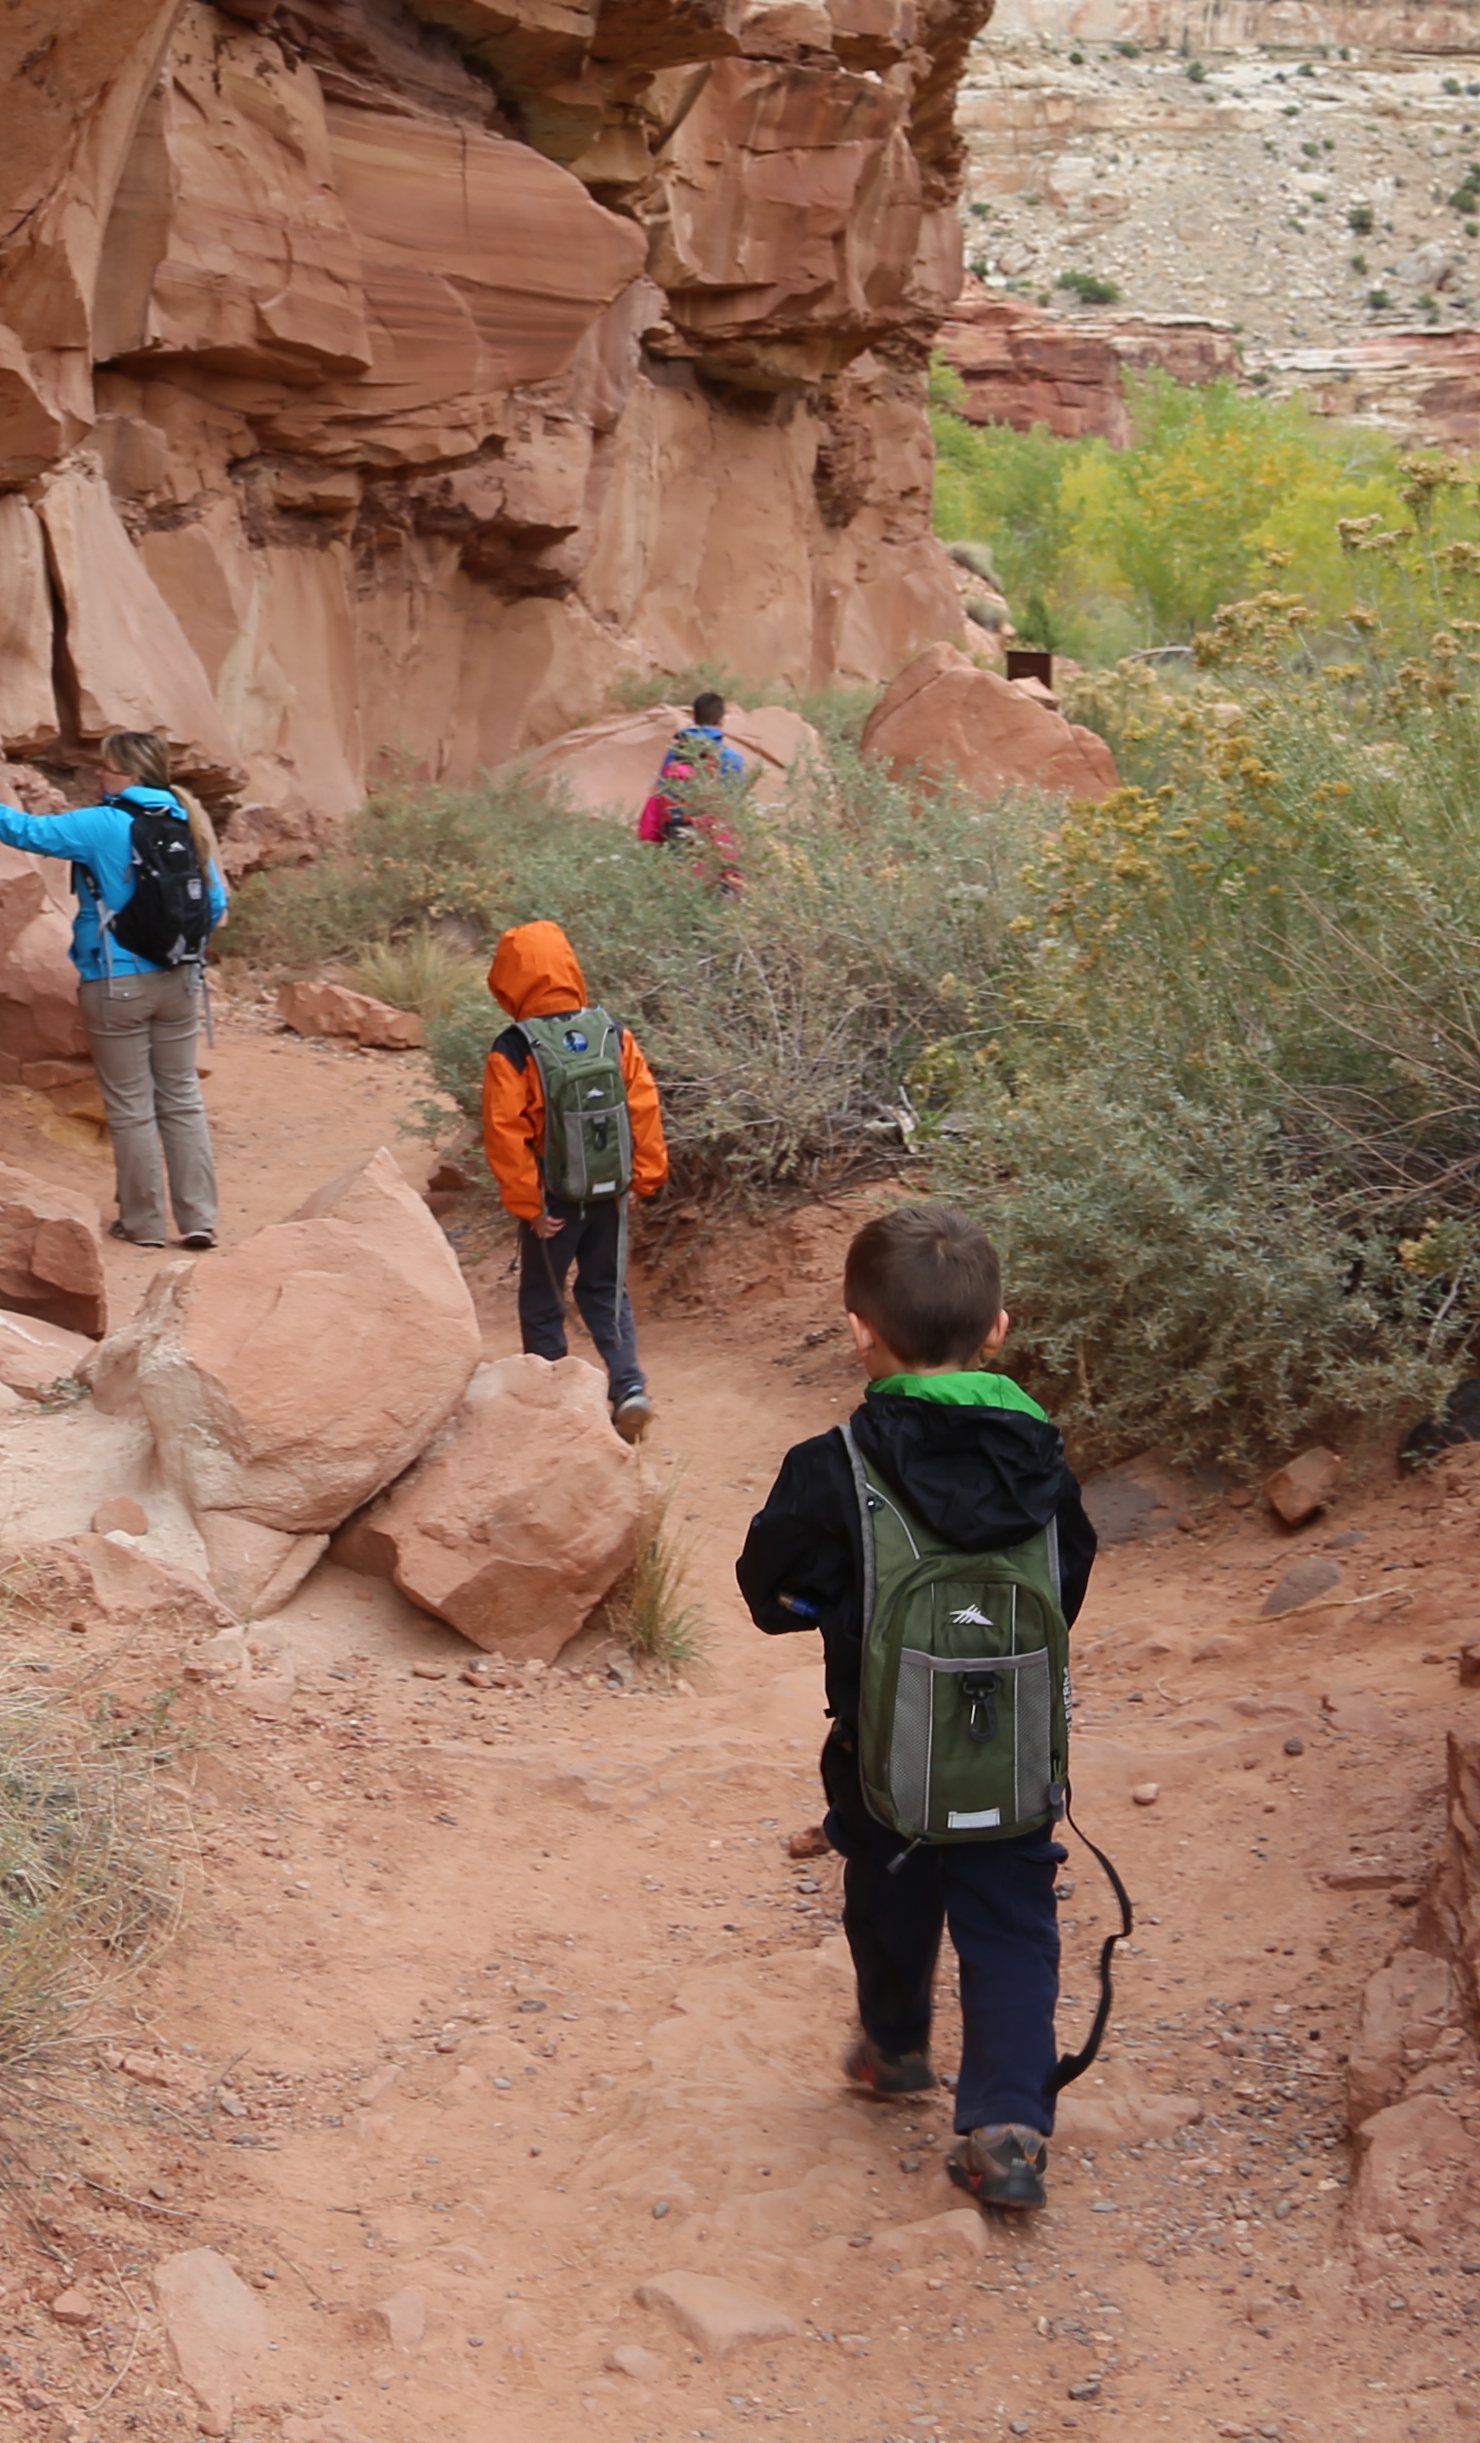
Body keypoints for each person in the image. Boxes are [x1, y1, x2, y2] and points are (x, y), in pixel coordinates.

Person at [732, 1203, 1099, 2215]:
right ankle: (1009, 2124)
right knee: (1014, 1921)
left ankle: (894, 2052)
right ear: (999, 1330)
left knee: (889, 1897)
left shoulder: (831, 1465)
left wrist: (829, 1610)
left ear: (859, 1328)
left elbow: (769, 1595)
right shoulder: (1041, 1456)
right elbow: (1069, 1579)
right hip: (1014, 1755)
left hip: (879, 1756)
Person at [0, 730, 229, 1251]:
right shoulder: (189, 821)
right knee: (182, 1099)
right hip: (181, 983)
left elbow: (18, 829)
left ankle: (142, 1224)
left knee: (131, 1105)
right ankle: (199, 1220)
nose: (99, 775)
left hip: (117, 982)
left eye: (109, 769)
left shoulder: (103, 823)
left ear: (133, 776)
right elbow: (214, 906)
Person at [475, 920, 667, 1441]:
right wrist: (644, 1179)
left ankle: (555, 1409)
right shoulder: (613, 1032)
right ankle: (629, 1387)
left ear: (510, 979)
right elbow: (643, 1107)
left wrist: (528, 1204)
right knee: (606, 1290)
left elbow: (504, 1131)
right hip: (611, 1194)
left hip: (553, 1203)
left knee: (543, 1300)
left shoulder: (515, 1048)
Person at [633, 690, 752, 889]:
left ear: (693, 717)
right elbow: (735, 803)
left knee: (678, 886)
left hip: (677, 830)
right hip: (715, 835)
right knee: (719, 890)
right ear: (722, 720)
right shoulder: (732, 759)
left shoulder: (675, 753)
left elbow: (662, 790)